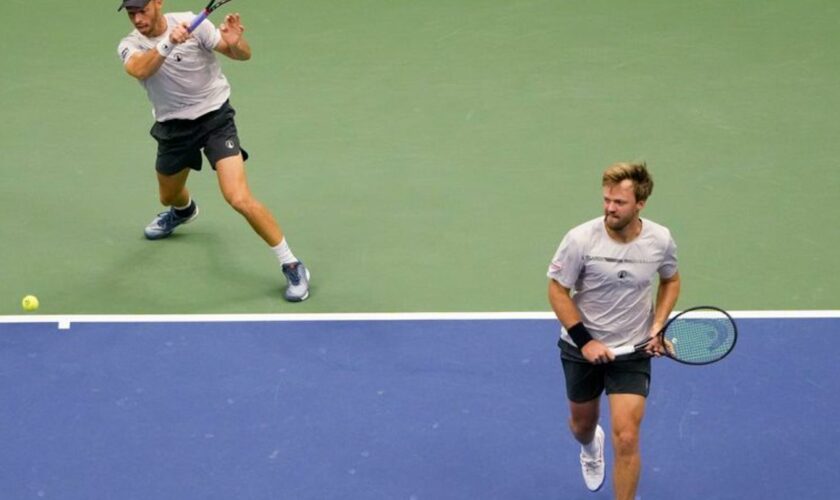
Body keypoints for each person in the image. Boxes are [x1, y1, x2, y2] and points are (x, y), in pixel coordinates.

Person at [116, 0, 310, 302]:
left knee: (238, 197)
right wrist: (169, 42)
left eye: (142, 10)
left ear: (158, 3)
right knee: (168, 195)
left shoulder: (195, 24)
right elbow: (140, 70)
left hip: (215, 119)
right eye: (131, 13)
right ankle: (184, 212)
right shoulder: (130, 44)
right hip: (173, 128)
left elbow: (242, 55)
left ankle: (292, 263)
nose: (138, 19)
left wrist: (236, 42)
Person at [546, 162, 680, 499]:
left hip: (633, 351)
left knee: (627, 436)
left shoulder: (659, 240)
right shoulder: (580, 239)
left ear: (640, 204)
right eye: (607, 199)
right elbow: (557, 290)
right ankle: (591, 446)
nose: (609, 208)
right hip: (581, 349)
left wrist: (657, 326)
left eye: (619, 202)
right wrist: (586, 341)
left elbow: (671, 279)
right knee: (581, 426)